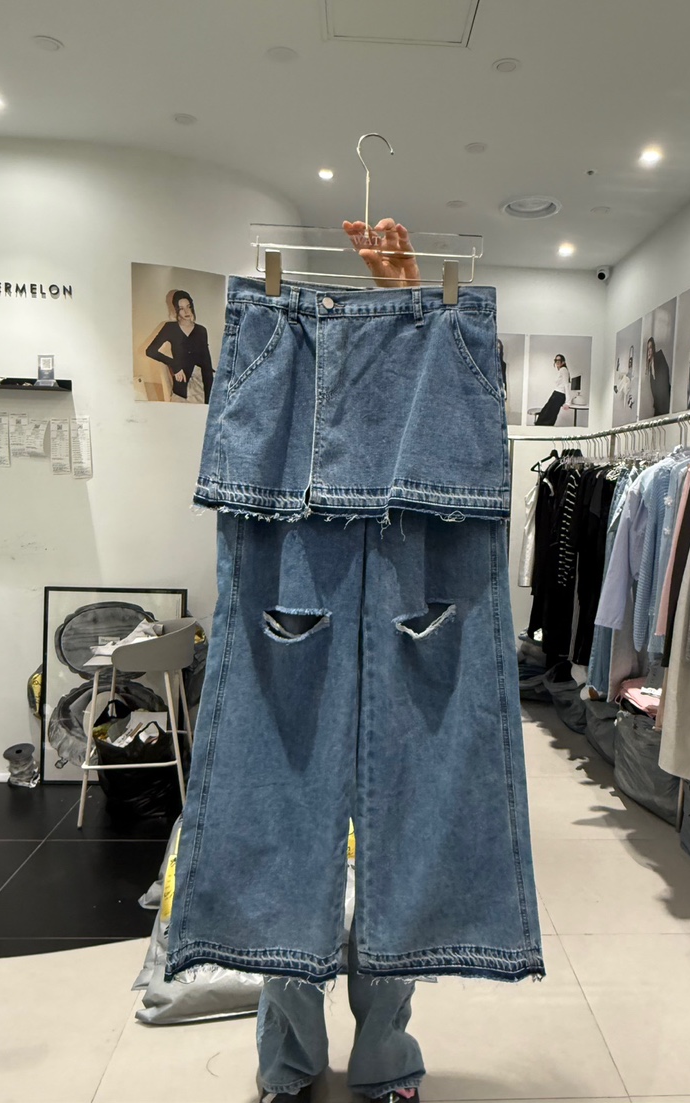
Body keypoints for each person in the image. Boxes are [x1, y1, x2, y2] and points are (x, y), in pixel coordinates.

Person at [256, 219, 427, 1103]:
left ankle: (382, 1053)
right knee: (288, 838)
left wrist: (408, 304)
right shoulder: (276, 352)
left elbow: (431, 422)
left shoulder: (413, 365)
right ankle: (289, 1058)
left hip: (395, 565)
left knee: (393, 847)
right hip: (296, 559)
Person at [145, 289, 215, 403]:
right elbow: (150, 351)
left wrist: (209, 401)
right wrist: (175, 365)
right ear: (176, 310)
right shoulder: (170, 328)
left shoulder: (201, 330)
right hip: (181, 389)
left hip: (200, 385)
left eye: (188, 306)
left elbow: (207, 365)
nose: (186, 311)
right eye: (181, 308)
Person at [534, 353, 570, 425]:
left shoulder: (563, 370)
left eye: (559, 360)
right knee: (546, 414)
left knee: (548, 416)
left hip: (559, 395)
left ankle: (541, 429)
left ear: (563, 362)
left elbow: (566, 385)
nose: (557, 362)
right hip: (556, 394)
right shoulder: (561, 370)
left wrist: (568, 402)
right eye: (556, 360)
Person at [645, 335, 671, 415]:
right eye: (648, 349)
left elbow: (664, 375)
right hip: (657, 404)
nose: (649, 351)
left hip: (664, 401)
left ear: (653, 347)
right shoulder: (650, 365)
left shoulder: (659, 356)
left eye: (650, 347)